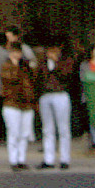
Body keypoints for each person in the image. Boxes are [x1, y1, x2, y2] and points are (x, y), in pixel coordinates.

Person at [37, 40, 75, 169]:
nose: (51, 53)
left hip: (61, 94)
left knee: (63, 128)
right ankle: (49, 159)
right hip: (46, 95)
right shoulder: (42, 63)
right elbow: (38, 78)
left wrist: (56, 64)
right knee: (48, 129)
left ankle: (65, 159)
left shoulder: (66, 61)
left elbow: (66, 76)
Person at [0, 42, 36, 171]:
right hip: (11, 103)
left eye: (18, 52)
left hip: (25, 103)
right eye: (14, 52)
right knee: (13, 132)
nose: (17, 55)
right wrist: (15, 65)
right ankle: (13, 160)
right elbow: (10, 79)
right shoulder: (6, 66)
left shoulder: (25, 66)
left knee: (24, 133)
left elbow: (32, 80)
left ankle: (22, 159)